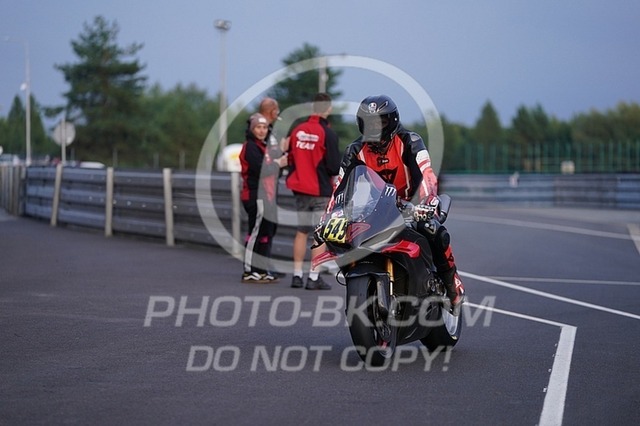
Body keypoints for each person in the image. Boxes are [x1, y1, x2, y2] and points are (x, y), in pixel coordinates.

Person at [327, 95, 465, 309]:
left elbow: (426, 173)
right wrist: (332, 214)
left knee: (432, 229)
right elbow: (340, 187)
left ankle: (451, 281)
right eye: (368, 122)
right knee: (341, 237)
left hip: (413, 204)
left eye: (380, 122)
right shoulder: (355, 150)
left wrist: (427, 200)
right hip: (374, 208)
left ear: (392, 120)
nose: (374, 127)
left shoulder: (410, 140)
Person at [286, 93, 341, 290]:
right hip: (320, 190)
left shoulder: (297, 130)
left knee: (301, 232)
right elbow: (334, 167)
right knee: (319, 235)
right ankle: (314, 277)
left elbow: (289, 158)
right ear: (329, 109)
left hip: (300, 189)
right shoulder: (328, 133)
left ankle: (296, 275)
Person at [239, 113, 288, 283]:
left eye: (265, 127)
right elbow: (260, 170)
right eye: (258, 127)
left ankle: (261, 269)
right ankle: (249, 270)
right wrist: (277, 163)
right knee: (255, 232)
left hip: (268, 195)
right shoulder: (250, 147)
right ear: (252, 129)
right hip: (255, 195)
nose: (261, 131)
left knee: (266, 232)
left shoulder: (264, 147)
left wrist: (279, 161)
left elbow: (274, 172)